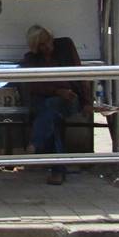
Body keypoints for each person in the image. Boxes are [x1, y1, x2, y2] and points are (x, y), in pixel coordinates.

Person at [19, 24, 87, 185]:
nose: (47, 47)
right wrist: (57, 91)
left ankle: (36, 143)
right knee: (51, 117)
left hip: (68, 99)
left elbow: (80, 74)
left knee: (49, 110)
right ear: (36, 47)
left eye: (48, 41)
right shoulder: (31, 59)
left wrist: (87, 101)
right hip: (47, 101)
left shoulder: (65, 47)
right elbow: (34, 86)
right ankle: (58, 170)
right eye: (42, 45)